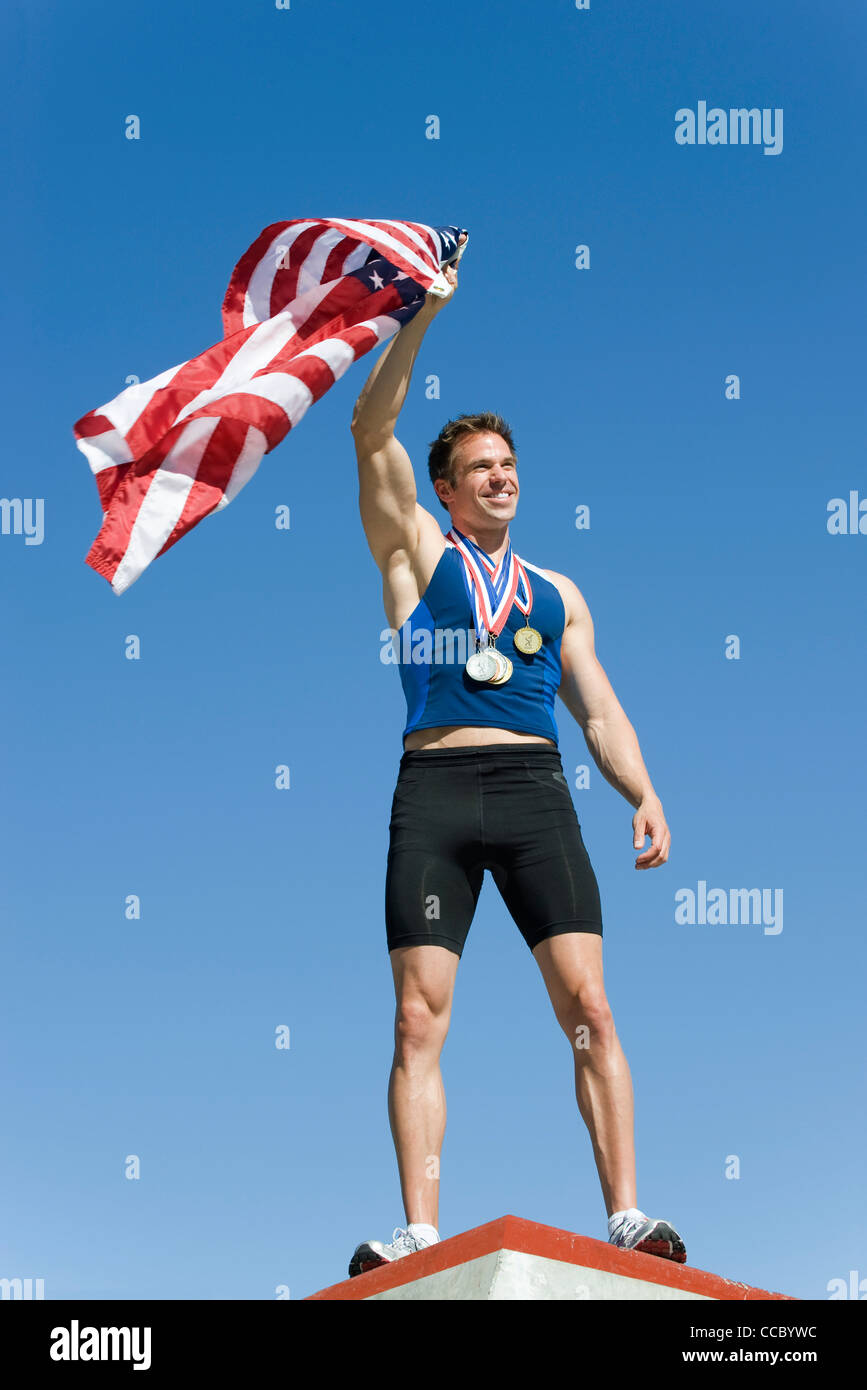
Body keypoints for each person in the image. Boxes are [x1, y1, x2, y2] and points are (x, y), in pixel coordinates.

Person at [347, 234, 685, 1278]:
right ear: (443, 489)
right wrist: (424, 314)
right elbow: (372, 429)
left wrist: (642, 788)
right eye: (480, 468)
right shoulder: (417, 553)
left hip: (536, 788)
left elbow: (601, 710)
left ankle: (629, 1215)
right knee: (416, 1015)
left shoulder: (560, 591)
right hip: (437, 786)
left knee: (590, 1006)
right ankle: (417, 1232)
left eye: (510, 465)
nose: (501, 477)